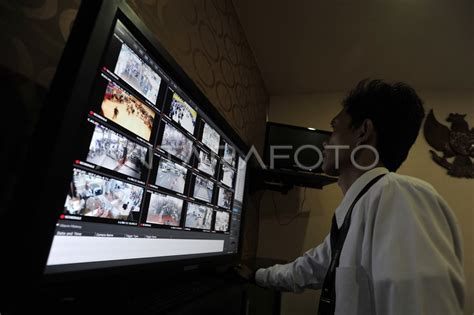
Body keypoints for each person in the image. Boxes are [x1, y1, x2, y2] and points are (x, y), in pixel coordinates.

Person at [236, 79, 465, 314]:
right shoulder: (355, 213)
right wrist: (258, 276)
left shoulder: (399, 197)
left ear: (363, 132)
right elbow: (310, 268)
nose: (326, 141)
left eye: (334, 128)